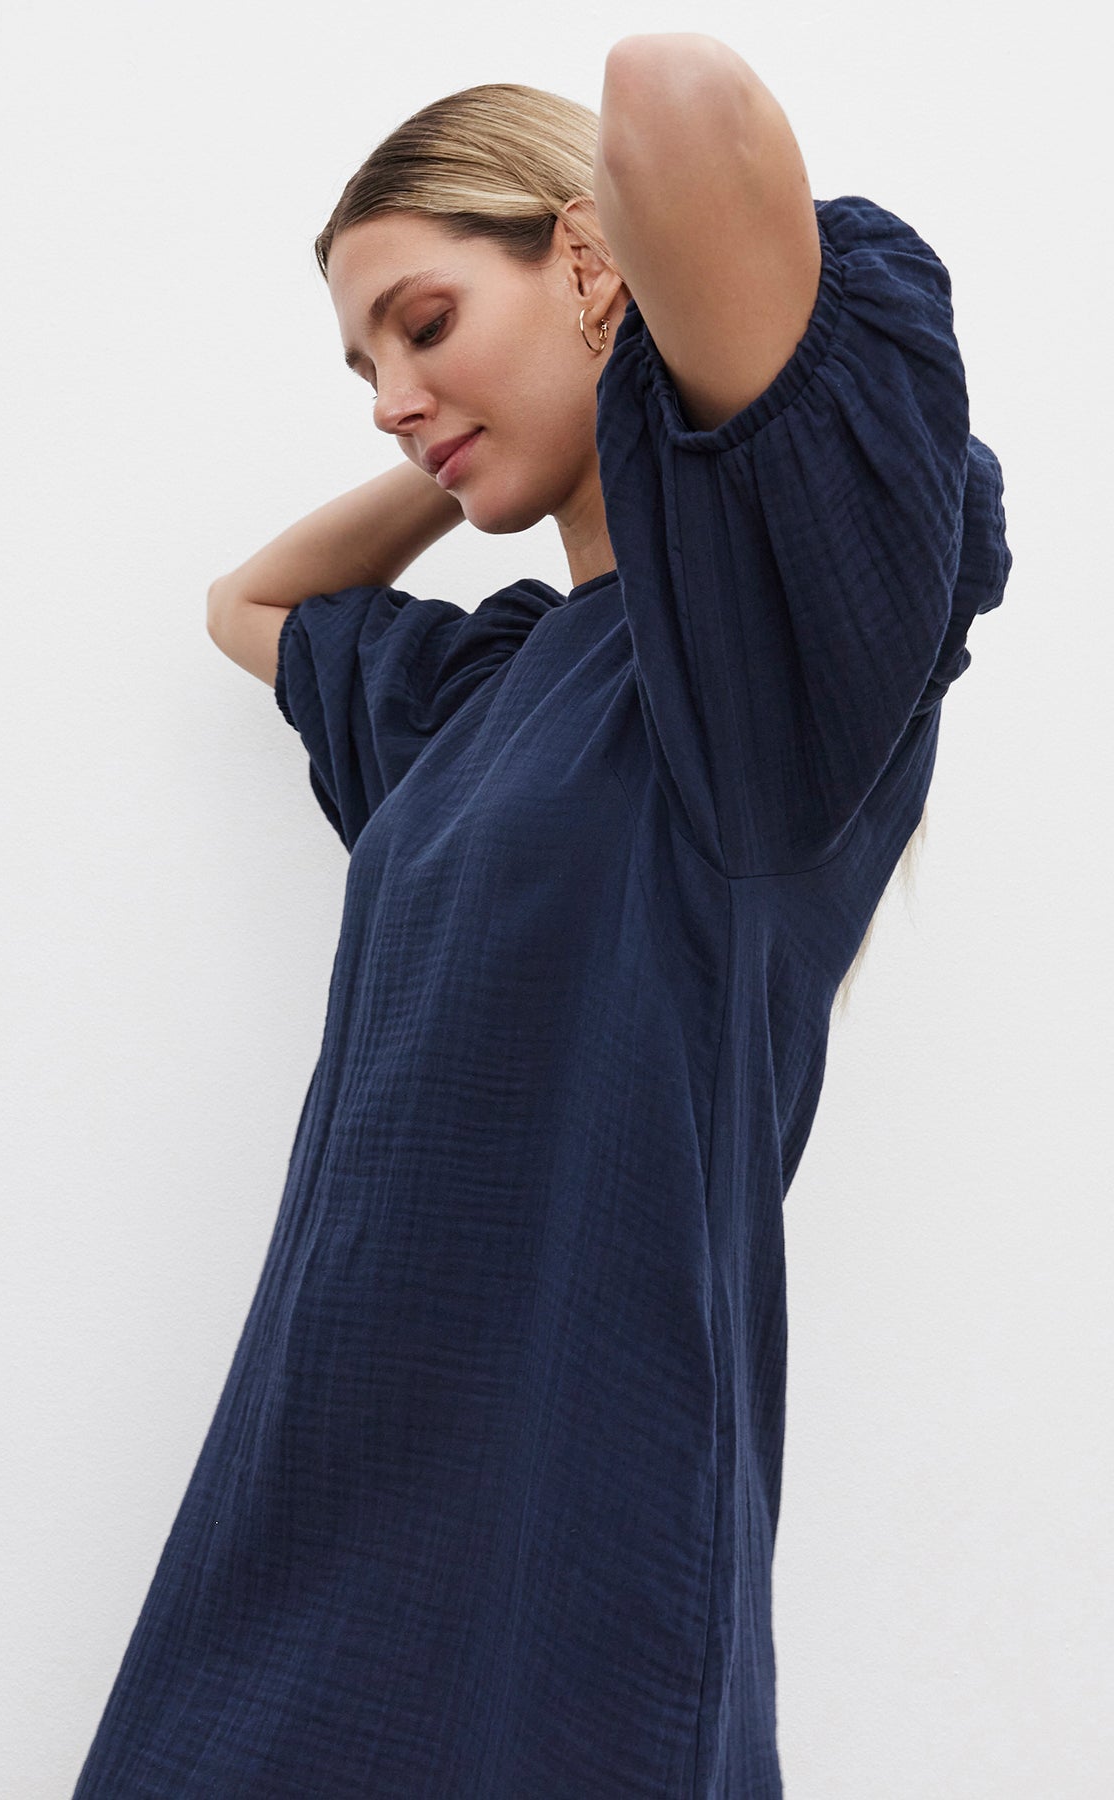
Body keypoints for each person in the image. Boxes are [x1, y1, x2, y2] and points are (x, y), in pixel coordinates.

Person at [73, 38, 1012, 1800]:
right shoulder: (486, 696)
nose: (385, 395)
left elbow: (673, 95)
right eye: (361, 365)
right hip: (320, 1473)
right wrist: (464, 439)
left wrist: (606, 323)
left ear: (590, 257)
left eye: (424, 324)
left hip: (570, 1505)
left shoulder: (765, 659)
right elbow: (249, 603)